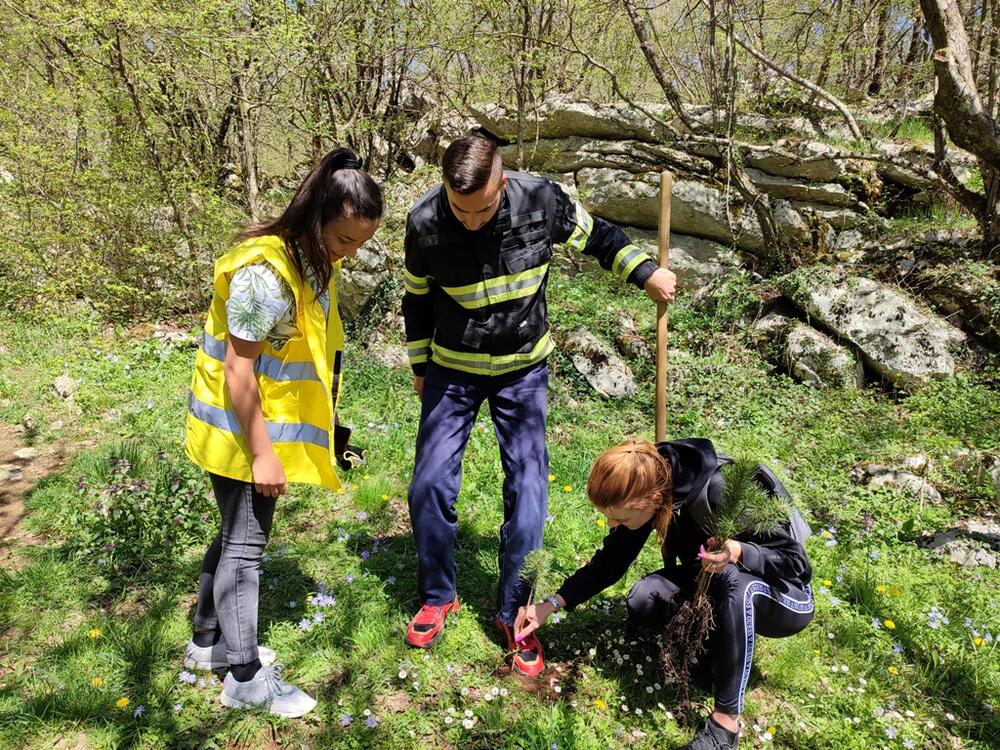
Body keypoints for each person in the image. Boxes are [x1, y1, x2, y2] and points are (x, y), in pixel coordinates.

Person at [401, 135, 677, 676]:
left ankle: (514, 609)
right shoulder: (424, 223)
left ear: (502, 183)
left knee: (528, 487)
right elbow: (417, 298)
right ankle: (438, 594)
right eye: (461, 210)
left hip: (522, 369)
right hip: (451, 369)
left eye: (482, 209)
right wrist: (418, 366)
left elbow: (600, 237)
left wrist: (645, 271)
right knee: (429, 482)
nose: (472, 220)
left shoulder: (542, 201)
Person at [182, 148, 382, 717]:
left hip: (253, 432)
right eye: (343, 241)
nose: (348, 253)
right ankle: (244, 678)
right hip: (241, 436)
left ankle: (206, 645)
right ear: (315, 217)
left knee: (230, 537)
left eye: (359, 245)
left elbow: (307, 358)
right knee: (246, 551)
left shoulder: (310, 262)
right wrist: (264, 455)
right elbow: (238, 372)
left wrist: (329, 427)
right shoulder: (265, 275)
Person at [514, 439, 814, 748]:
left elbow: (796, 563)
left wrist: (738, 550)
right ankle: (712, 656)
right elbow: (611, 561)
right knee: (644, 599)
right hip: (711, 581)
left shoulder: (720, 489)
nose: (612, 524)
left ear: (653, 498)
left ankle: (725, 727)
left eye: (620, 518)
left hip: (783, 595)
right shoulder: (651, 485)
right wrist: (552, 603)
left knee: (733, 582)